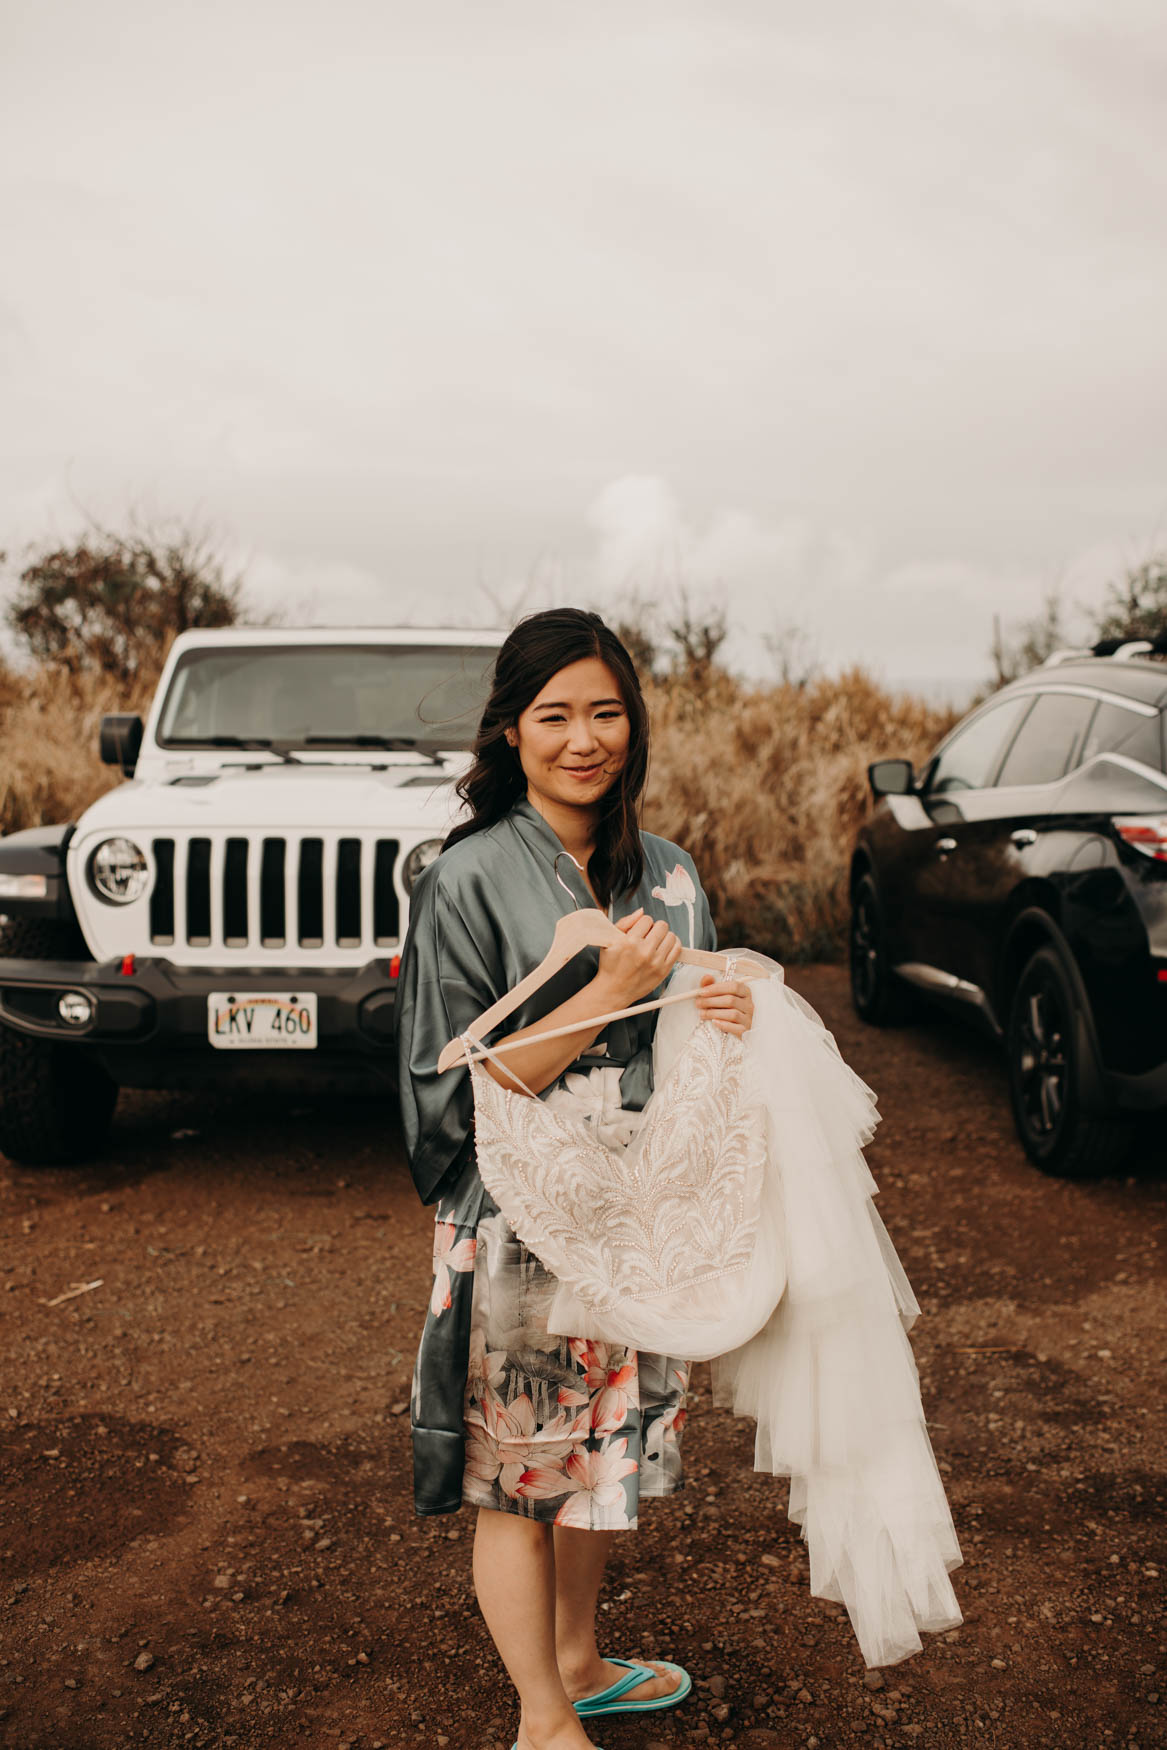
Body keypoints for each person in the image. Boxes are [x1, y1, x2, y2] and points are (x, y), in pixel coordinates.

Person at [396, 607, 754, 1750]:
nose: (583, 739)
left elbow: (692, 1046)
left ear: (633, 725)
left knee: (605, 1453)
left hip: (633, 1203)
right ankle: (542, 1721)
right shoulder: (464, 878)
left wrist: (724, 1010)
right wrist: (602, 993)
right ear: (510, 730)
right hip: (520, 1211)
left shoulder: (670, 872)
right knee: (519, 1476)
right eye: (554, 715)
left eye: (605, 713)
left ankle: (580, 1660)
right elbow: (456, 1088)